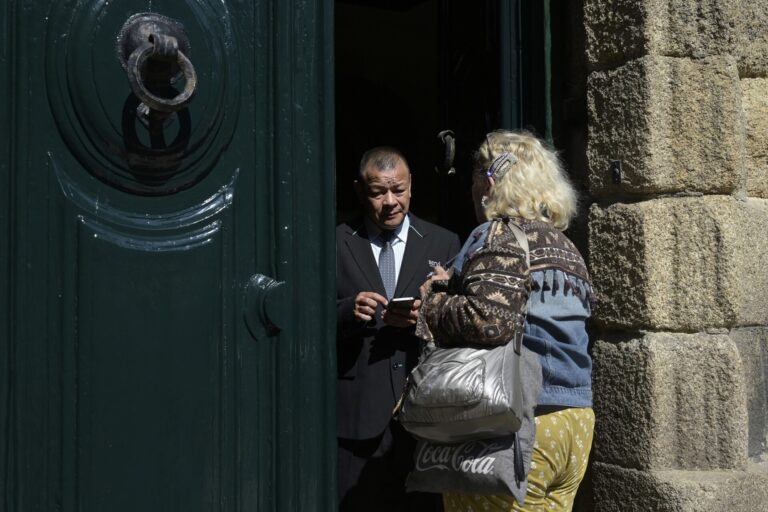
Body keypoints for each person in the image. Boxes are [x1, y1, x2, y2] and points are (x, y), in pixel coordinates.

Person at [417, 130, 595, 511]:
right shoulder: (566, 245)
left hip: (519, 423)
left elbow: (488, 319)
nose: (471, 188)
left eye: (474, 177)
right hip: (575, 423)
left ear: (490, 182)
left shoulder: (496, 235)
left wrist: (433, 301)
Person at [336, 147, 461, 511]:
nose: (390, 202)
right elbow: (306, 319)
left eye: (399, 190)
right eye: (378, 193)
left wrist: (427, 315)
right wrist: (348, 311)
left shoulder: (444, 242)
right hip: (358, 414)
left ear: (411, 187)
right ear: (360, 190)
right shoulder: (336, 241)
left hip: (424, 415)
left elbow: (461, 319)